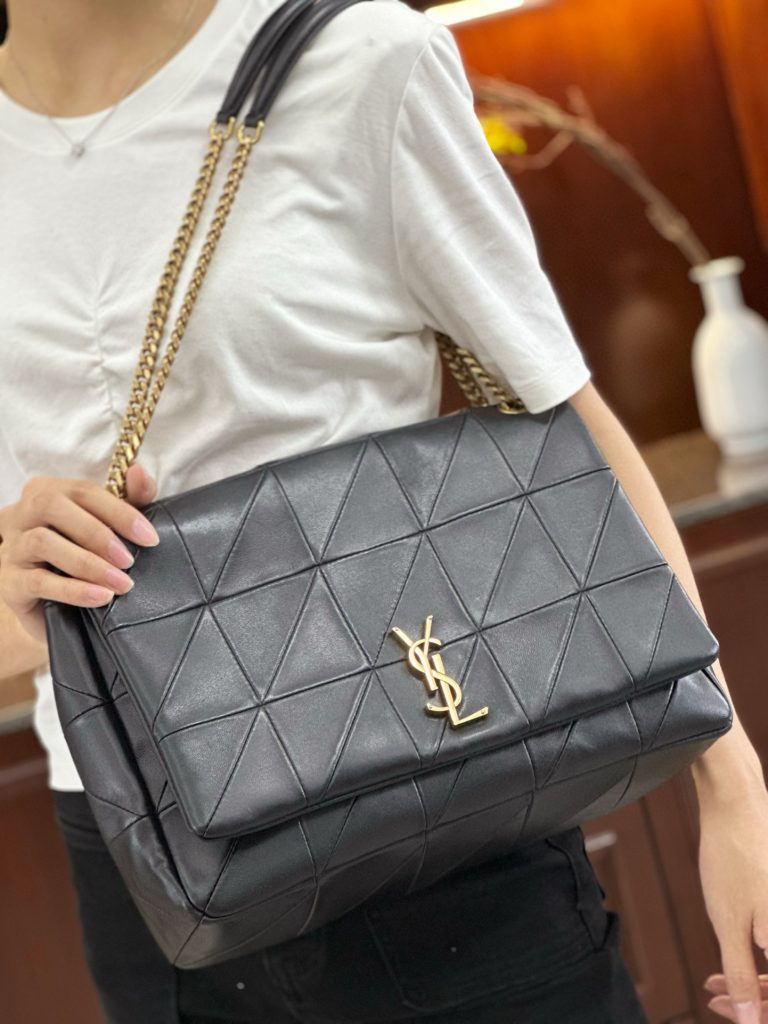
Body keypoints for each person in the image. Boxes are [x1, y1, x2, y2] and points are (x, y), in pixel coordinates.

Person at [0, 1, 767, 1022]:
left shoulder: (357, 62)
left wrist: (733, 787)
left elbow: (565, 427)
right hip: (143, 867)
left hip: (434, 801)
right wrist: (20, 582)